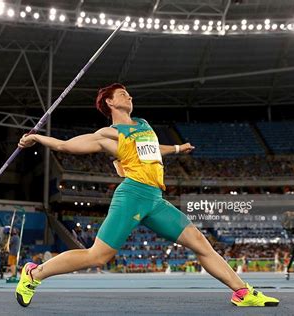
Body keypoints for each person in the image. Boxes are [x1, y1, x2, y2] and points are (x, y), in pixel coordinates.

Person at [15, 83, 279, 307]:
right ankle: (34, 274)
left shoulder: (142, 124)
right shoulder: (109, 134)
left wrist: (177, 148)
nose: (129, 96)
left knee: (200, 243)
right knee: (98, 256)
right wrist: (37, 139)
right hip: (132, 195)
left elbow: (151, 149)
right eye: (122, 94)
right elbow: (66, 146)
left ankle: (242, 292)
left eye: (128, 93)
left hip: (155, 199)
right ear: (109, 102)